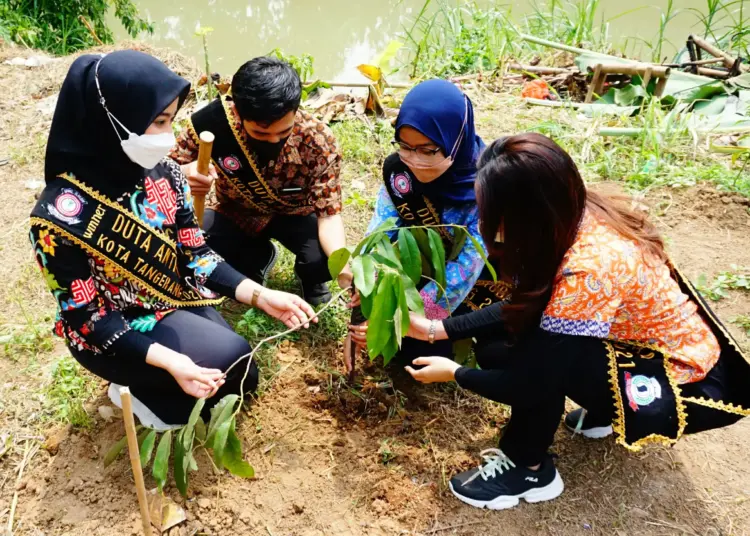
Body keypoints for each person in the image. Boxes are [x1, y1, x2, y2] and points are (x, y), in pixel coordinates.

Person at [403, 133, 750, 510]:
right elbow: (531, 304)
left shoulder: (588, 272)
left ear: (526, 214)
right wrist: (437, 328)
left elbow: (528, 383)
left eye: (493, 212)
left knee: (510, 355)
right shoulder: (574, 212)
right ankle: (602, 409)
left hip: (688, 386)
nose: (488, 222)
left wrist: (454, 372)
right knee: (527, 338)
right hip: (663, 350)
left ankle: (529, 469)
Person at [30, 50, 316, 430]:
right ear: (113, 120)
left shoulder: (165, 175)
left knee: (237, 375)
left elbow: (197, 254)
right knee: (223, 366)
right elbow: (86, 318)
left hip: (168, 297)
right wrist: (169, 360)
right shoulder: (59, 217)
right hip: (114, 328)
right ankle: (129, 386)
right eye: (159, 122)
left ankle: (158, 379)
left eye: (171, 120)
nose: (168, 137)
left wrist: (262, 296)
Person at [170, 56, 351, 305]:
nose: (273, 140)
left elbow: (329, 215)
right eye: (261, 133)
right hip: (237, 212)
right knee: (193, 243)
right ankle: (259, 257)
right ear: (237, 112)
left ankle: (311, 277)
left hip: (295, 215)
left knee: (322, 259)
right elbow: (162, 171)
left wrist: (342, 266)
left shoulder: (318, 140)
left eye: (283, 132)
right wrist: (184, 174)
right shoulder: (211, 125)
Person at [349, 79, 493, 359]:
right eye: (405, 146)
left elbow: (463, 272)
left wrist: (396, 321)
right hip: (423, 265)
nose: (414, 160)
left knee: (419, 348)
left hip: (476, 282)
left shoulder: (485, 187)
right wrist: (364, 294)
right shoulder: (399, 174)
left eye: (427, 150)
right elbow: (381, 232)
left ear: (455, 141)